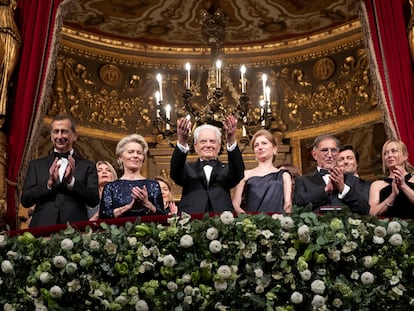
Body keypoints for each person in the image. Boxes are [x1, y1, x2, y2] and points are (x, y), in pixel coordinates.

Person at [21, 114, 99, 227]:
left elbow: (94, 200)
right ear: (51, 135)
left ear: (75, 135)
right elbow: (26, 200)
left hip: (75, 228)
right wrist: (49, 184)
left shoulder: (88, 166)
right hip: (42, 225)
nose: (59, 136)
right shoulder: (36, 165)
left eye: (64, 131)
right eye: (55, 131)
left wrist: (72, 182)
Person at [170, 115, 244, 214]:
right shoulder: (187, 168)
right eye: (203, 141)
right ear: (195, 146)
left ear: (219, 145)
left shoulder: (227, 168)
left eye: (212, 141)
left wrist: (231, 140)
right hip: (191, 220)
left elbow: (238, 173)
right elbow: (175, 173)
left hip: (222, 221)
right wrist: (182, 142)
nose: (208, 145)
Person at [293, 134, 367, 213]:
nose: (329, 155)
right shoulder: (302, 181)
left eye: (334, 150)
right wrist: (325, 190)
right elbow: (297, 206)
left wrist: (343, 188)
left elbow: (365, 210)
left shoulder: (353, 180)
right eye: (324, 150)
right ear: (314, 154)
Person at [99, 134, 165, 218]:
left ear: (143, 159)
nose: (135, 156)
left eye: (139, 153)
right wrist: (129, 207)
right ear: (120, 158)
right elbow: (104, 216)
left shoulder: (153, 185)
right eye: (130, 152)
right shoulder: (110, 187)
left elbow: (163, 217)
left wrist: (146, 203)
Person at [232, 129, 292, 213]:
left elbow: (288, 204)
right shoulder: (245, 174)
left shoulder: (284, 175)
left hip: (277, 223)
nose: (260, 147)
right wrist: (248, 220)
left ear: (274, 149)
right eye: (256, 145)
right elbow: (235, 204)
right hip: (252, 223)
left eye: (264, 143)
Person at [368, 139, 414, 218]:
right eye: (386, 153)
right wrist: (392, 196)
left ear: (405, 156)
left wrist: (403, 186)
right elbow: (372, 213)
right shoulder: (377, 185)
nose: (389, 155)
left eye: (394, 151)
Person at [337, 145, 371, 214]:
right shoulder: (332, 188)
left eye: (349, 158)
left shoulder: (370, 186)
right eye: (341, 159)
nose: (345, 162)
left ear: (357, 163)